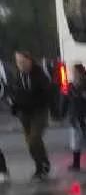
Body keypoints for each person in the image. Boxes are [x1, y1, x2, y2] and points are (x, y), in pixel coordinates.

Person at [10, 51, 54, 180]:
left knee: (34, 138)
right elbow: (16, 92)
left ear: (29, 60)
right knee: (30, 142)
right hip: (24, 113)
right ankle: (39, 165)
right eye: (18, 62)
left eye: (23, 62)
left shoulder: (38, 74)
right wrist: (15, 105)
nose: (21, 65)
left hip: (38, 111)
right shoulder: (19, 75)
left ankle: (44, 163)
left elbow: (47, 91)